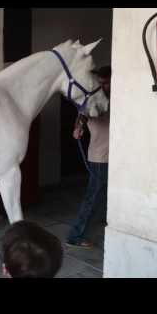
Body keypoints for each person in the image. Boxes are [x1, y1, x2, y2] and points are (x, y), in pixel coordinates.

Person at [66, 65, 111, 249]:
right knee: (92, 198)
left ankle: (102, 224)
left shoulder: (118, 98)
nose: (103, 87)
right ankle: (75, 236)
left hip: (114, 157)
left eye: (105, 83)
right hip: (100, 158)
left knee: (103, 197)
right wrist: (78, 127)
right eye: (100, 83)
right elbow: (82, 116)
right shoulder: (94, 101)